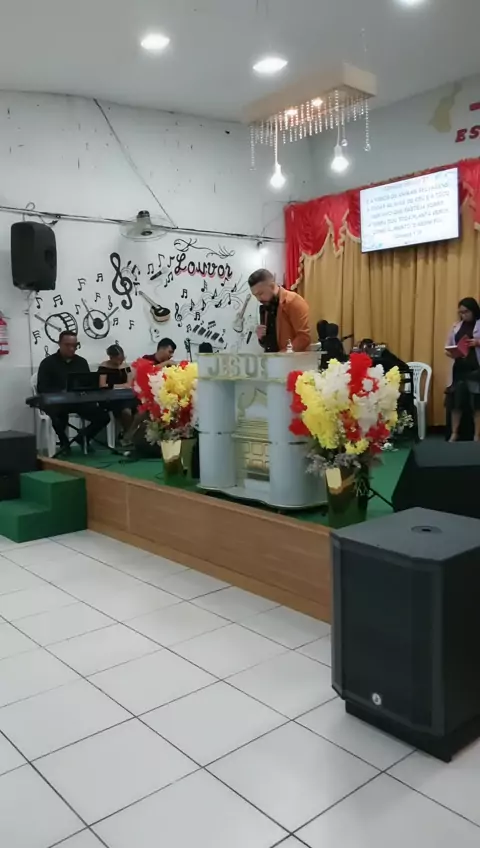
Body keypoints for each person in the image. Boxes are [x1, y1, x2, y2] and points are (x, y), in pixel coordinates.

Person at [36, 331, 110, 454]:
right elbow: (42, 388)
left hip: (78, 401)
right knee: (58, 416)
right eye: (67, 345)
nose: (71, 348)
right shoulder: (48, 363)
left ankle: (83, 438)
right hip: (57, 402)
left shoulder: (81, 362)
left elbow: (87, 383)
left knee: (103, 417)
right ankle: (64, 443)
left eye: (74, 345)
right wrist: (61, 392)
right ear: (59, 344)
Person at [249, 269, 311, 352]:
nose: (258, 299)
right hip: (273, 359)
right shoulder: (266, 305)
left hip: (291, 359)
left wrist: (282, 355)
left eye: (260, 293)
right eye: (255, 295)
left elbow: (304, 338)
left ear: (272, 286)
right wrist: (261, 338)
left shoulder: (293, 301)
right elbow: (269, 344)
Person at [445, 297, 480, 441]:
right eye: (461, 312)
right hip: (459, 368)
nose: (463, 315)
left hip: (475, 369)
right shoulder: (456, 326)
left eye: (466, 312)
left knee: (476, 403)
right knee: (456, 402)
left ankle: (477, 435)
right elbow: (448, 346)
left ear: (473, 311)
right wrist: (451, 352)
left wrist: (477, 342)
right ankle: (454, 433)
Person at [97, 344, 137, 437]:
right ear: (111, 357)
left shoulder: (125, 367)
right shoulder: (104, 366)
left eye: (122, 359)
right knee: (126, 411)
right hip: (110, 397)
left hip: (125, 395)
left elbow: (129, 384)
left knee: (140, 409)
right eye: (118, 359)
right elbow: (102, 385)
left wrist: (115, 386)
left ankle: (130, 433)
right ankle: (129, 434)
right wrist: (118, 386)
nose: (120, 362)